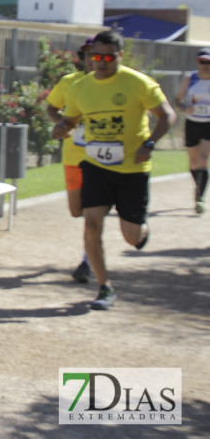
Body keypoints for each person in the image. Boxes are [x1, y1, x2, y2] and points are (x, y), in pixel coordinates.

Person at [53, 31, 175, 311]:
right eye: (97, 57)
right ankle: (104, 286)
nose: (101, 63)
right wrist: (62, 127)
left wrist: (150, 143)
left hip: (132, 168)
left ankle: (141, 232)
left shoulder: (138, 83)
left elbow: (168, 115)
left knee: (131, 237)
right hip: (96, 165)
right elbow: (70, 119)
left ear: (119, 56)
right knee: (91, 224)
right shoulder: (81, 87)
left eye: (108, 57)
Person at [45, 40, 95, 283]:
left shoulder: (119, 83)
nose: (93, 59)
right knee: (77, 211)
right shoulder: (69, 81)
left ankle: (87, 261)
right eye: (88, 55)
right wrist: (63, 123)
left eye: (98, 55)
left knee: (93, 213)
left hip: (102, 161)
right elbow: (52, 107)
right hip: (74, 156)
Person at [174, 46, 210, 214]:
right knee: (194, 163)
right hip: (192, 123)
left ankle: (200, 198)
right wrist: (184, 108)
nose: (206, 65)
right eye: (203, 61)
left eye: (209, 62)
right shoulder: (191, 79)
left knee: (203, 161)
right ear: (198, 61)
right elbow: (178, 100)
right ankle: (198, 186)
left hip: (208, 124)